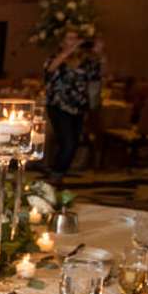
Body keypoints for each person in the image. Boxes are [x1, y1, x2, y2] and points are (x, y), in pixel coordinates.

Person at [43, 27, 104, 185]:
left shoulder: (86, 62)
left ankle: (57, 174)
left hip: (78, 107)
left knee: (72, 143)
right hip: (58, 105)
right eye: (70, 38)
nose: (74, 42)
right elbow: (49, 70)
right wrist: (68, 51)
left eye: (76, 39)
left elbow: (96, 77)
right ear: (63, 42)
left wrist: (98, 53)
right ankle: (55, 176)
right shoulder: (56, 58)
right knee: (68, 142)